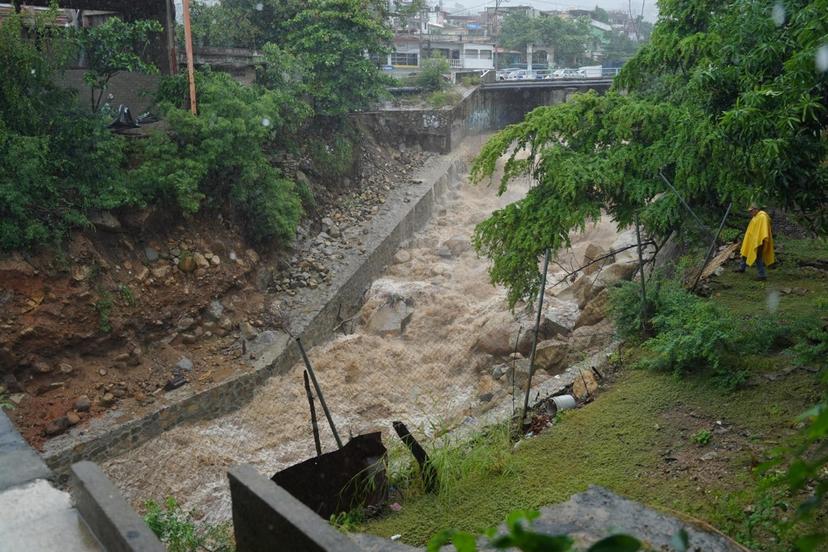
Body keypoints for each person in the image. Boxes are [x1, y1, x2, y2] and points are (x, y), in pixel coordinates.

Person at [735, 204, 775, 280]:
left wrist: (760, 242)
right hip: (751, 241)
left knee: (758, 257)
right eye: (749, 211)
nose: (750, 213)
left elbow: (763, 231)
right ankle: (741, 268)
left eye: (751, 211)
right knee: (744, 253)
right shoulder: (756, 217)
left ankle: (762, 275)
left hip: (759, 242)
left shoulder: (762, 217)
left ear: (756, 209)